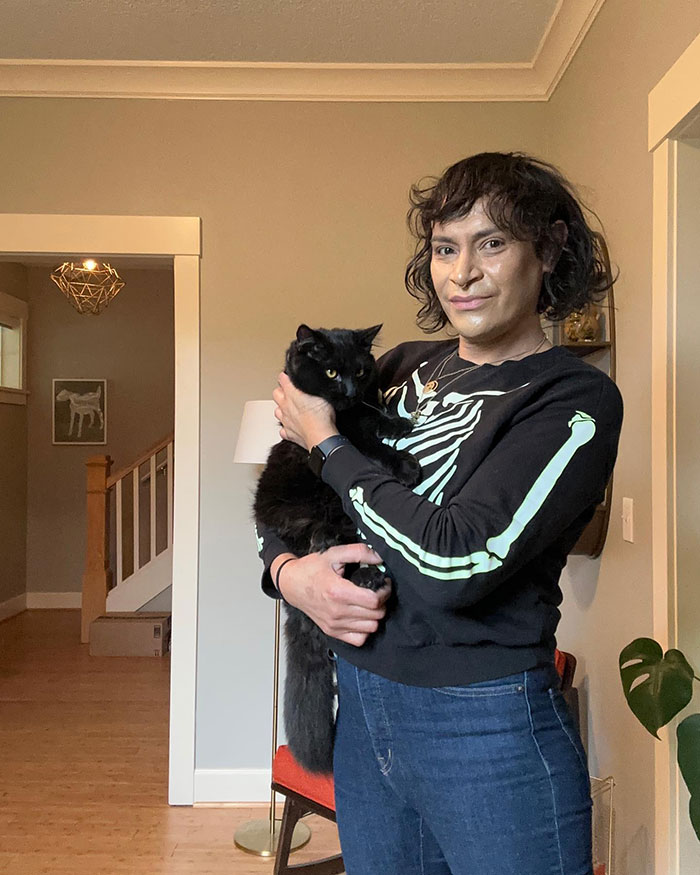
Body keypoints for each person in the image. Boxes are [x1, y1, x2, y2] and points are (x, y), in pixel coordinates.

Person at [256, 151, 623, 875]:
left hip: (486, 729)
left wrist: (327, 442)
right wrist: (289, 571)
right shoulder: (397, 368)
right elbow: (285, 496)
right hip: (363, 712)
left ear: (547, 250)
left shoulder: (572, 399)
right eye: (446, 248)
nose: (463, 273)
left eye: (491, 243)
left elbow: (457, 562)